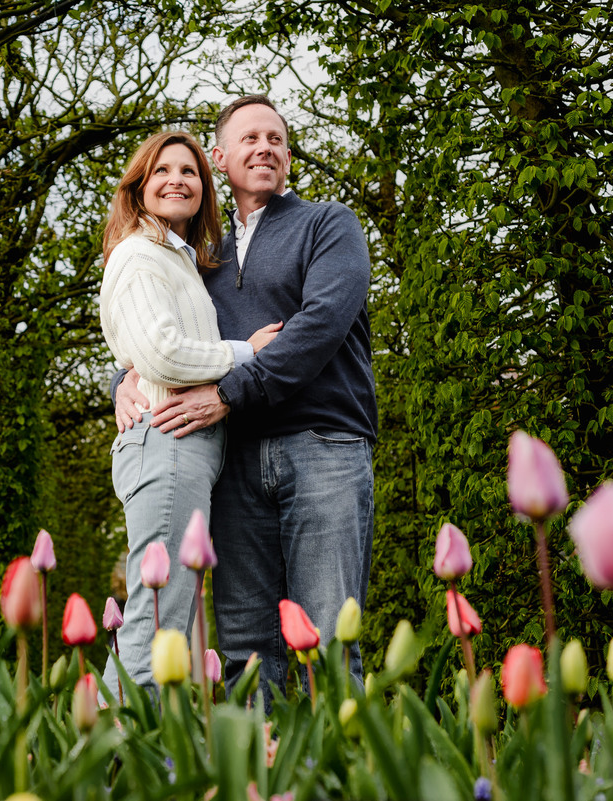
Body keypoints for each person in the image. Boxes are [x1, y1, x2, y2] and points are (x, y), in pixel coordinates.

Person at [114, 97, 377, 707]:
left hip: (324, 446)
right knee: (244, 646)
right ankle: (257, 773)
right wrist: (123, 379)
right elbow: (159, 331)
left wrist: (229, 393)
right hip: (233, 463)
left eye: (277, 138)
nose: (266, 147)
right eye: (250, 138)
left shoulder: (329, 224)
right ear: (220, 159)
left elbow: (318, 328)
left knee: (330, 635)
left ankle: (337, 775)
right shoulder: (202, 256)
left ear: (287, 155)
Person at [99, 130, 282, 694]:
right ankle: (121, 767)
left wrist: (125, 376)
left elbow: (144, 355)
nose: (177, 180)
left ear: (205, 188)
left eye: (190, 172)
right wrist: (249, 350)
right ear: (139, 187)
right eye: (163, 171)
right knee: (157, 626)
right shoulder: (138, 254)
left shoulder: (180, 260)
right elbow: (163, 353)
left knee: (164, 619)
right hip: (167, 442)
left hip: (184, 449)